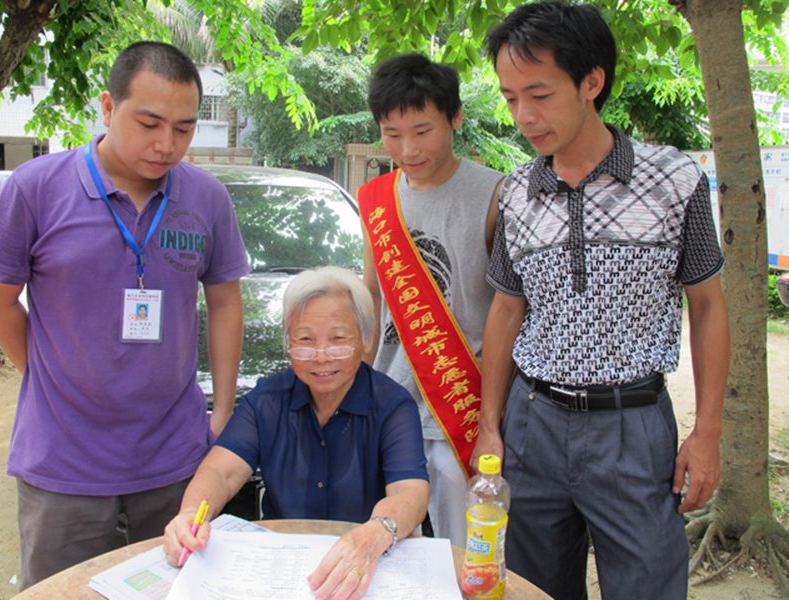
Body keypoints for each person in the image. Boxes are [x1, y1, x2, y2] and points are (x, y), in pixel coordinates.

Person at [473, 2, 730, 599]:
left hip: (632, 428)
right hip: (534, 424)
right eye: (510, 98)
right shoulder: (515, 193)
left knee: (647, 586)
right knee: (535, 587)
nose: (523, 116)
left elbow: (708, 305)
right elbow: (507, 308)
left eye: (539, 94)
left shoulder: (676, 181)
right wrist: (490, 426)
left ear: (592, 81)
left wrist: (708, 432)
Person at [0, 42, 250, 588]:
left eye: (183, 128)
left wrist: (222, 409)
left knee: (177, 590)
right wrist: (44, 370)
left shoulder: (205, 198)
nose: (166, 144)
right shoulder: (35, 190)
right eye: (149, 123)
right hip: (63, 464)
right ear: (108, 108)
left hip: (174, 460)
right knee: (63, 592)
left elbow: (225, 299)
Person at [163, 266, 429, 599]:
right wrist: (191, 514)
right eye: (305, 340)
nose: (321, 356)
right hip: (278, 572)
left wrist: (374, 535)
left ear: (365, 340)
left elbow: (409, 491)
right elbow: (220, 472)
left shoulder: (392, 405)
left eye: (338, 339)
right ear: (288, 343)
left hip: (367, 567)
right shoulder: (267, 400)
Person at [359, 53, 505, 546]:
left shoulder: (495, 195)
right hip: (389, 408)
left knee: (464, 557)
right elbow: (371, 299)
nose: (408, 149)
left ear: (455, 118)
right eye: (392, 134)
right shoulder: (376, 199)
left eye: (422, 131)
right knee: (388, 550)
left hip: (460, 413)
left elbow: (509, 310)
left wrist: (491, 421)